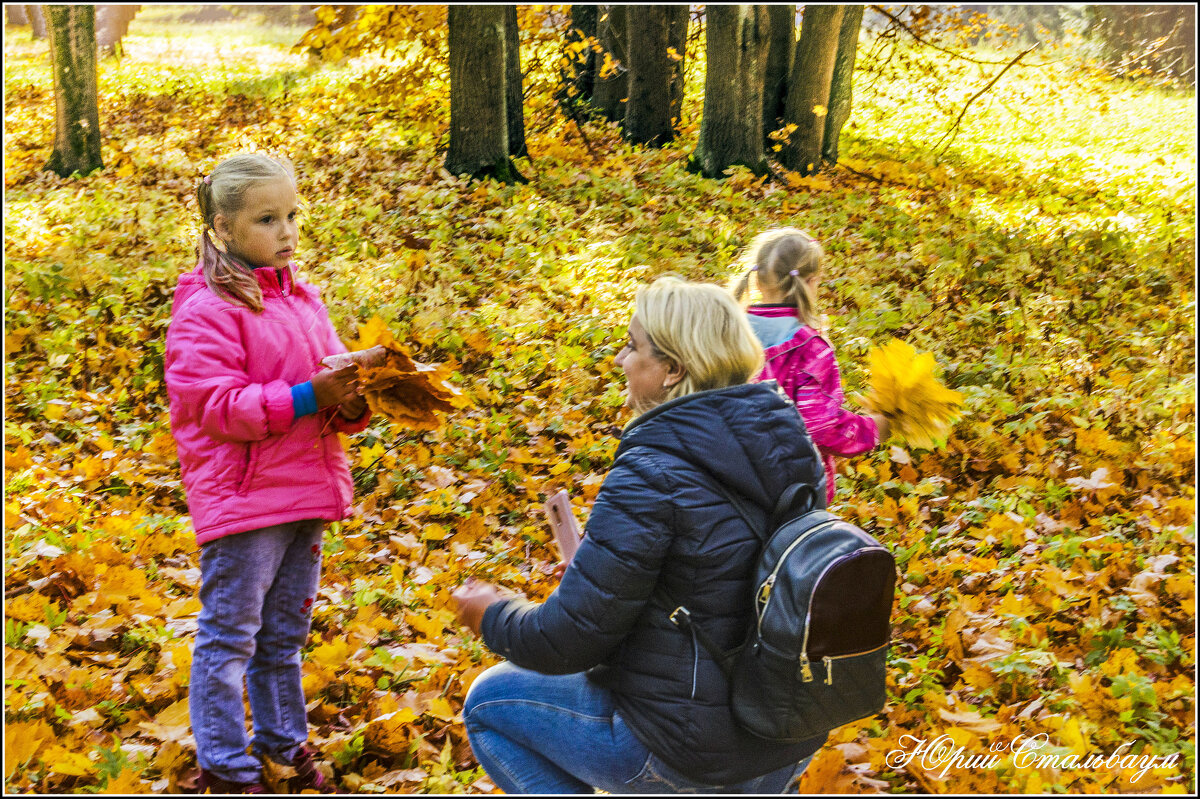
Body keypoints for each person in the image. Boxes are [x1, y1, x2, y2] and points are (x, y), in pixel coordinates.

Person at [452, 276, 828, 793]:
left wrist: (491, 613)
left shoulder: (652, 473)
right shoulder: (791, 446)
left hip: (687, 751)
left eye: (633, 346)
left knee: (489, 704)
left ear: (672, 370)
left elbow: (567, 641)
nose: (621, 360)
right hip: (788, 730)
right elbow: (721, 588)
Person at [165, 153, 370, 794]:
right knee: (231, 637)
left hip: (305, 490)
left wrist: (356, 396)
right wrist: (310, 394)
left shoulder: (302, 299)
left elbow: (325, 388)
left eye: (291, 216)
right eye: (266, 219)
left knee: (285, 635)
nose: (286, 232)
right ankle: (225, 765)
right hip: (246, 498)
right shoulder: (206, 310)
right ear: (222, 228)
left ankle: (283, 741)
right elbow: (217, 407)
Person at [731, 227, 888, 504]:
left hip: (729, 479)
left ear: (757, 280)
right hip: (791, 493)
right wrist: (873, 429)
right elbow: (820, 427)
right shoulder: (810, 349)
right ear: (812, 282)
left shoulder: (729, 332)